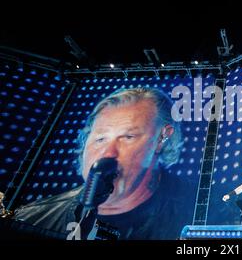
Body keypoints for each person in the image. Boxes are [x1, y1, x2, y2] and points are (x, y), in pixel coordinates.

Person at [13, 87, 188, 239]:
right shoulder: (31, 219)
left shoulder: (197, 211)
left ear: (161, 138)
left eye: (128, 137)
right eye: (100, 139)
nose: (108, 153)